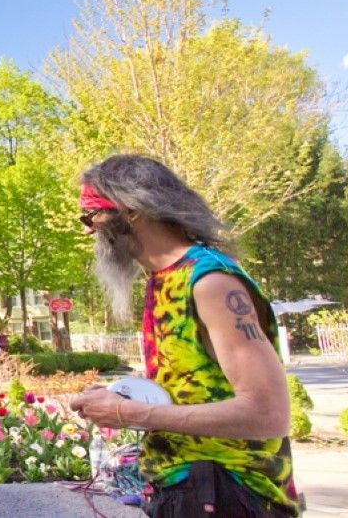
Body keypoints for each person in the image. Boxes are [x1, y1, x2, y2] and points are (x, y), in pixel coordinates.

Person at [68, 155, 297, 517]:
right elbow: (198, 385)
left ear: (131, 211)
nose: (88, 229)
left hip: (230, 493)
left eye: (91, 215)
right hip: (188, 491)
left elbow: (268, 413)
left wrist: (129, 413)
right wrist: (122, 398)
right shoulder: (164, 279)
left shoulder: (210, 282)